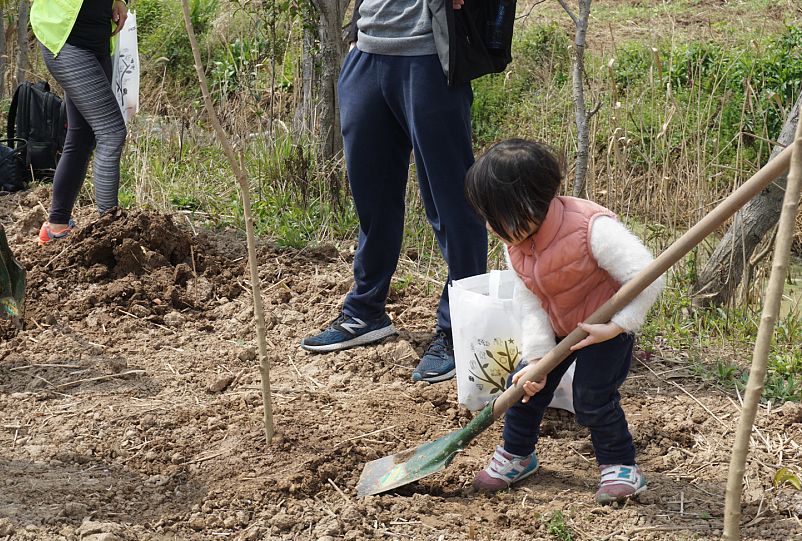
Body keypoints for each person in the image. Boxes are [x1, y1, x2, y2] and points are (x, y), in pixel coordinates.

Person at [300, 0, 517, 383]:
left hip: (429, 58)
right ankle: (366, 312)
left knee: (452, 204)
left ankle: (458, 332)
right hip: (366, 52)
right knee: (373, 199)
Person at [464, 139, 664, 504]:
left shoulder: (591, 229)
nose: (493, 228)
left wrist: (618, 325)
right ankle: (517, 456)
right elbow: (530, 298)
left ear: (529, 202)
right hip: (557, 327)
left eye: (498, 216)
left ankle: (621, 467)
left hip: (603, 328)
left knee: (592, 397)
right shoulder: (517, 243)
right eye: (488, 217)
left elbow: (648, 275)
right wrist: (538, 358)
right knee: (522, 387)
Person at [30, 0, 129, 245]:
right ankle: (111, 233)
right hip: (65, 39)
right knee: (112, 132)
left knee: (82, 134)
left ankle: (56, 226)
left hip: (98, 37)